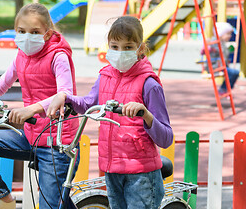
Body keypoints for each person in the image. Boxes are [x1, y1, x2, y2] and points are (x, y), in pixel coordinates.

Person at [0, 3, 79, 209]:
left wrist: (30, 109)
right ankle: (3, 197)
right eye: (21, 31)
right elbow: (1, 85)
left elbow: (65, 93)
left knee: (52, 204)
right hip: (31, 138)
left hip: (57, 145)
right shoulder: (21, 56)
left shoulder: (58, 56)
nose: (27, 36)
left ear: (47, 34)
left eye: (35, 32)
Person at [47, 16, 174, 209]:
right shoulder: (104, 76)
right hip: (112, 170)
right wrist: (65, 97)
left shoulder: (149, 84)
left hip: (141, 174)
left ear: (140, 49)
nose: (120, 52)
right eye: (114, 47)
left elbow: (166, 138)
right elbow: (88, 103)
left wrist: (146, 115)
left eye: (128, 47)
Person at [201, 22, 239, 96]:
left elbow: (224, 53)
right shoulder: (214, 42)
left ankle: (226, 89)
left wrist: (230, 49)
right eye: (227, 34)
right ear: (221, 33)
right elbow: (206, 50)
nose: (230, 36)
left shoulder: (222, 42)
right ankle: (223, 89)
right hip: (214, 66)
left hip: (221, 66)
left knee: (235, 72)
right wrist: (208, 47)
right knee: (232, 72)